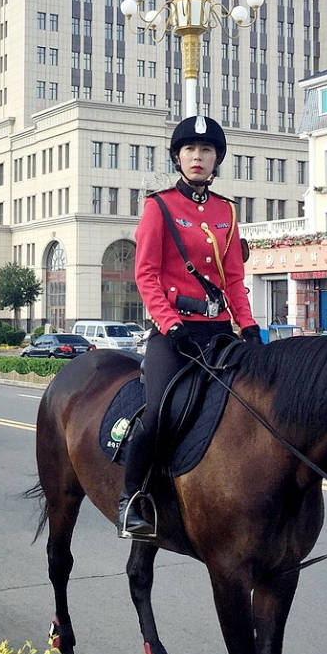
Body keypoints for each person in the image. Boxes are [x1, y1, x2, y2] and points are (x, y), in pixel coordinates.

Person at [117, 115, 262, 539]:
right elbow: (145, 275)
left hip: (218, 332)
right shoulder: (158, 206)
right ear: (177, 157)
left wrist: (248, 326)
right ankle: (132, 499)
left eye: (206, 150)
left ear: (217, 159)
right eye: (189, 150)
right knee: (159, 410)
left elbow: (233, 278)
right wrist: (169, 322)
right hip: (174, 335)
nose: (198, 157)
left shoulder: (226, 212)